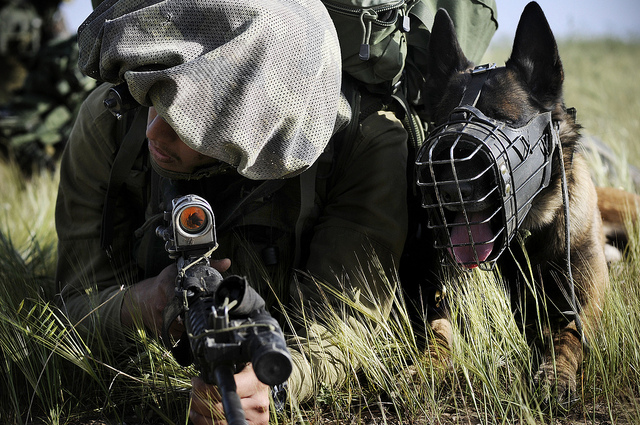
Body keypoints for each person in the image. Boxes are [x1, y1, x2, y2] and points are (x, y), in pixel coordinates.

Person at [54, 0, 409, 423]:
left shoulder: (366, 141)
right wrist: (144, 305)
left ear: (258, 117)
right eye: (157, 94)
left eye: (189, 117)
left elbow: (346, 330)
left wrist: (275, 385)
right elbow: (73, 304)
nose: (154, 130)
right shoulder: (110, 118)